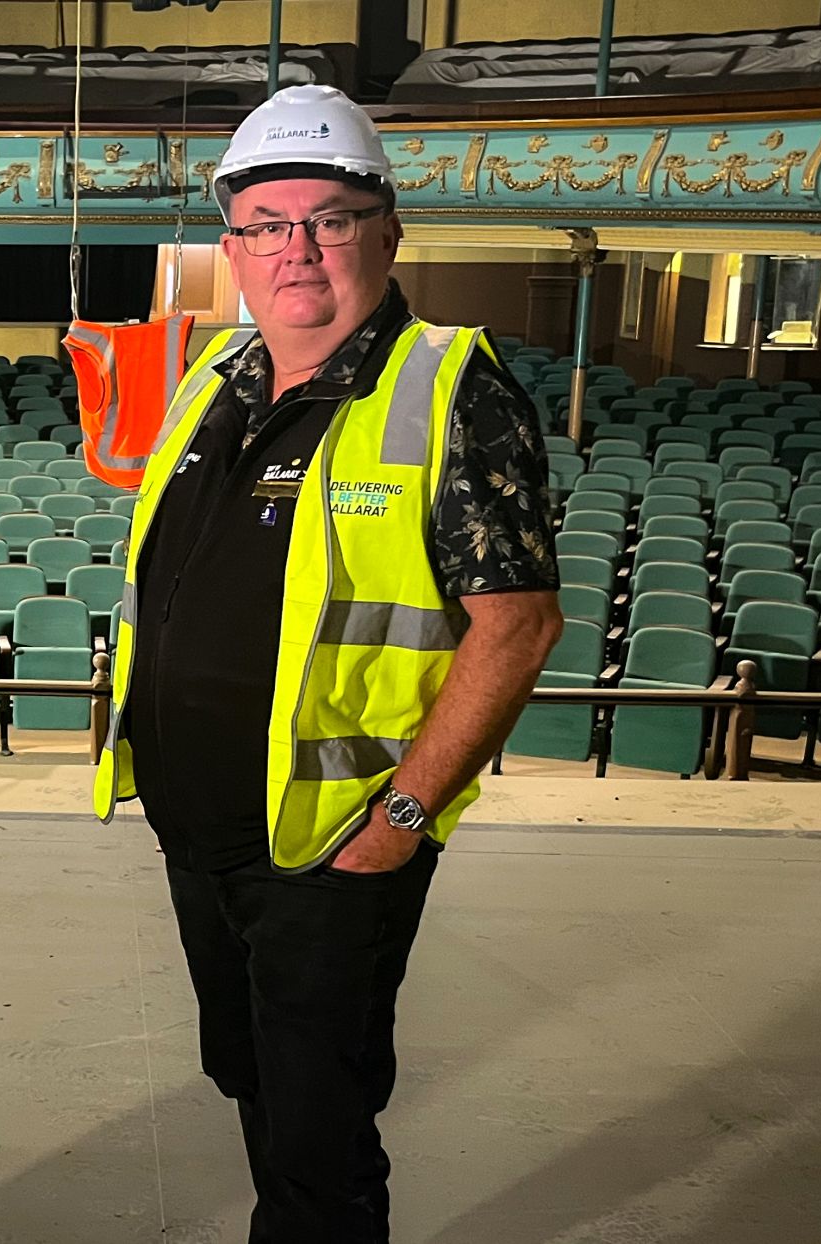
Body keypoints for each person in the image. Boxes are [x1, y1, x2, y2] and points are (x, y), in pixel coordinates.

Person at [93, 85, 564, 1243]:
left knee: (319, 1136)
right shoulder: (214, 379)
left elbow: (517, 624)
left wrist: (401, 814)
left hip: (333, 842)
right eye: (265, 223)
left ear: (386, 230)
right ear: (232, 246)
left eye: (329, 218)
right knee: (255, 1084)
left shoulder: (451, 388)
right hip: (200, 832)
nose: (293, 247)